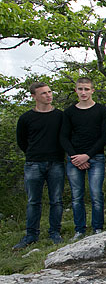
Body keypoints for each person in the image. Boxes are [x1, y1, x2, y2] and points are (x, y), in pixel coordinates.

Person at [13, 82, 65, 249]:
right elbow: (21, 141)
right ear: (34, 96)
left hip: (56, 162)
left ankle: (55, 233)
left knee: (56, 200)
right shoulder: (26, 118)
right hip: (33, 163)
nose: (48, 95)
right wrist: (33, 153)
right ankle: (31, 235)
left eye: (50, 92)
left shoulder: (60, 116)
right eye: (43, 93)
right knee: (33, 201)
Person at [60, 77, 106, 240]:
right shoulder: (69, 112)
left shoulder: (102, 110)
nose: (83, 92)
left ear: (92, 91)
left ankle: (97, 228)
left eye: (86, 89)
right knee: (77, 196)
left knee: (96, 194)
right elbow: (63, 137)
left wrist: (87, 156)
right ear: (76, 90)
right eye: (80, 89)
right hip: (74, 159)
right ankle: (79, 229)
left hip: (95, 157)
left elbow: (105, 136)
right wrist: (75, 157)